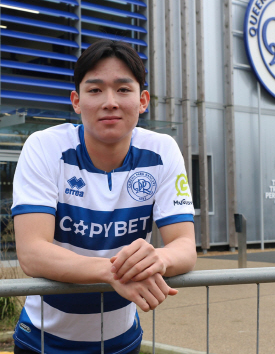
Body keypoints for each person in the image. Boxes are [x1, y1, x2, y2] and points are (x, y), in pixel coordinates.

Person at [11, 39, 197, 354]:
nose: (109, 101)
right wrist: (115, 273)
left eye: (123, 89)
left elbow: (184, 247)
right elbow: (32, 253)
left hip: (122, 343)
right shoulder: (44, 146)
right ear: (76, 101)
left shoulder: (163, 150)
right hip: (41, 343)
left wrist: (158, 259)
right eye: (95, 90)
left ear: (143, 100)